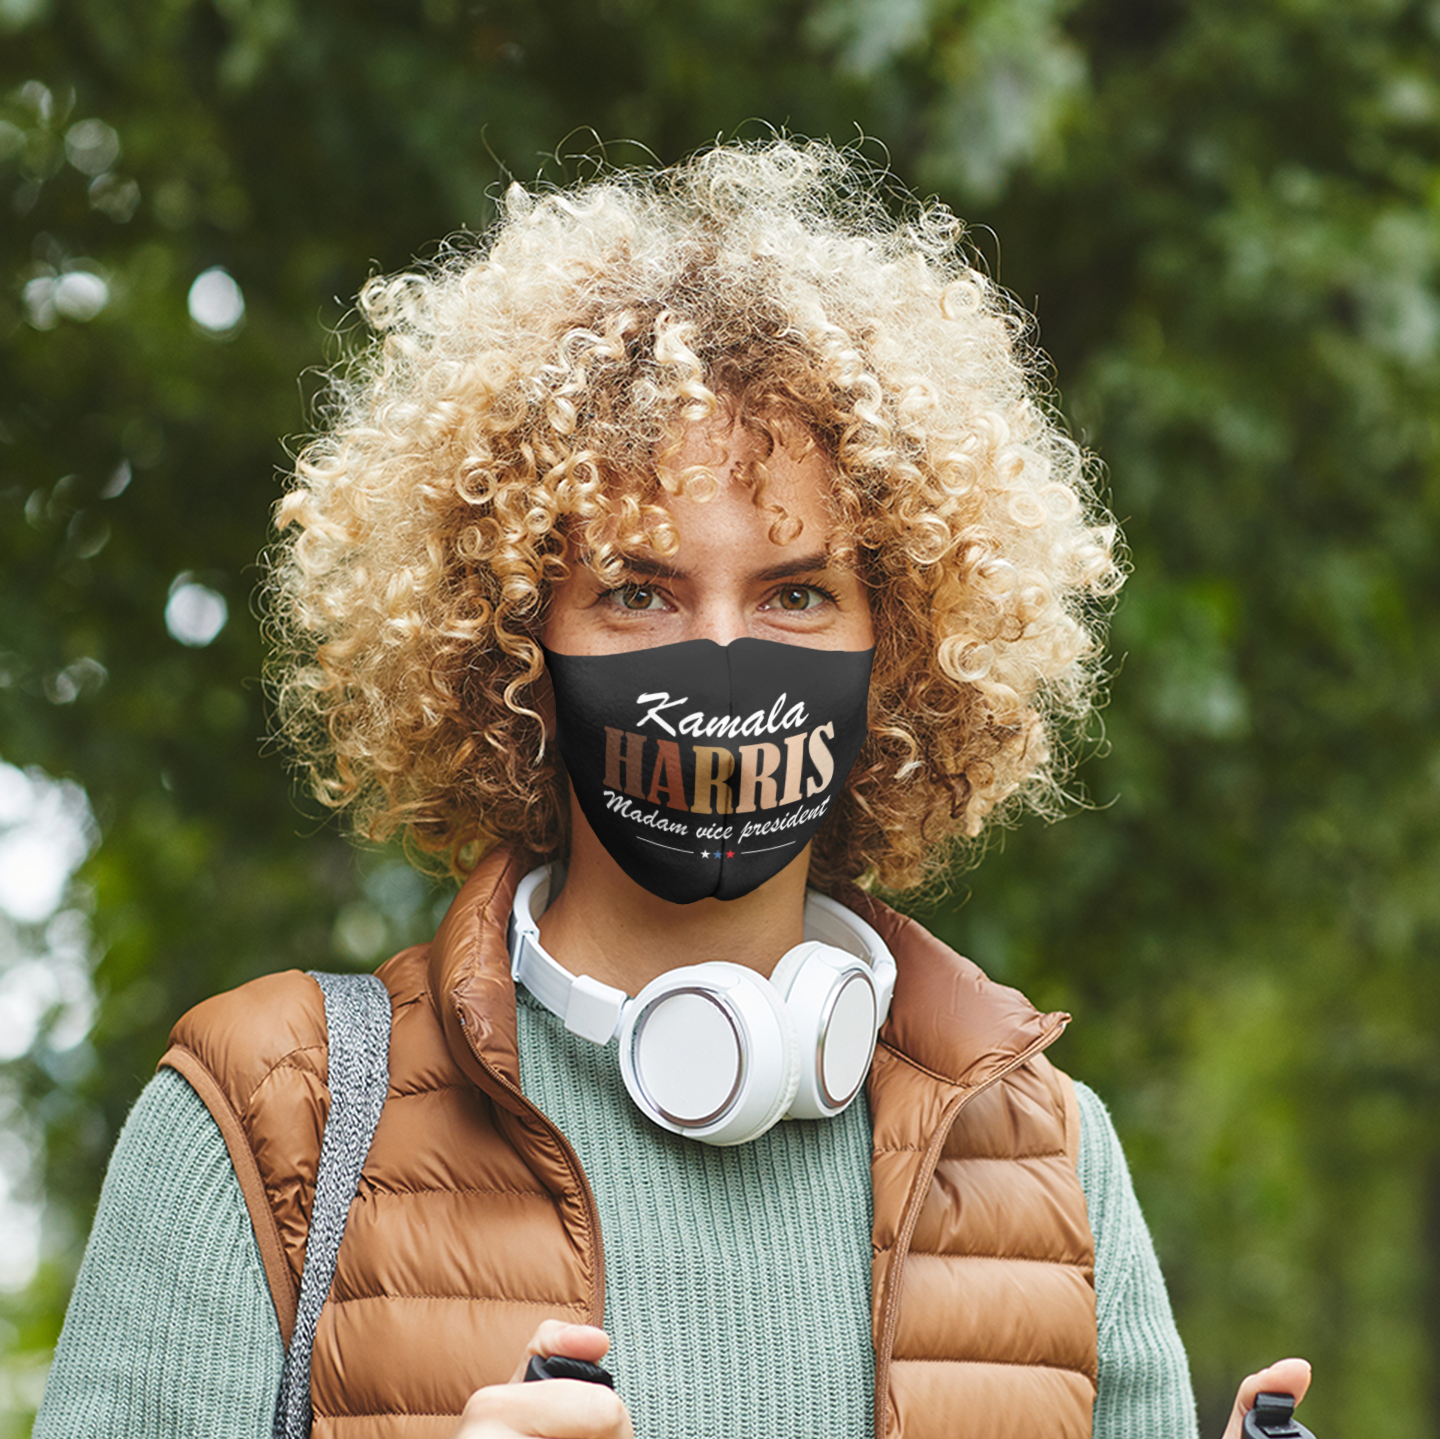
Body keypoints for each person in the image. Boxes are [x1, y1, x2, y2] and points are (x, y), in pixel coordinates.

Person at [35, 139, 1310, 1439]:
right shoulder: (269, 1120)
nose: (718, 658)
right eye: (635, 590)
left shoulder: (1049, 1161)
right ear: (513, 641)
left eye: (796, 591)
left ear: (904, 651)